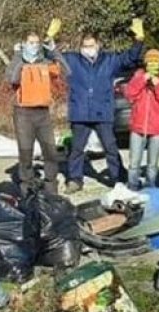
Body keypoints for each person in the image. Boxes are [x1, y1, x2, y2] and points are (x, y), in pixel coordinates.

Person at [62, 24, 146, 194]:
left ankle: (119, 178)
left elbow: (129, 58)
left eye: (91, 45)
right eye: (85, 46)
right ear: (80, 47)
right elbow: (53, 57)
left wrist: (138, 41)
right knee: (77, 149)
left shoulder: (110, 60)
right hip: (80, 112)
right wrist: (49, 40)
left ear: (98, 45)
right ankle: (74, 179)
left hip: (102, 111)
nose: (88, 49)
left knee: (110, 147)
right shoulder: (72, 60)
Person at [7, 29, 68, 195]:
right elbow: (11, 79)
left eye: (36, 43)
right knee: (26, 153)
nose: (34, 46)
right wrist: (20, 57)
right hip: (23, 113)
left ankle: (51, 188)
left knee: (50, 151)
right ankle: (27, 188)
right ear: (24, 44)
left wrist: (53, 51)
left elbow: (65, 71)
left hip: (43, 113)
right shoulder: (18, 61)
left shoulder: (45, 62)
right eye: (30, 43)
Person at [125, 49, 159, 190]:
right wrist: (142, 80)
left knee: (152, 163)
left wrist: (158, 84)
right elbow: (129, 94)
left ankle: (150, 186)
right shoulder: (139, 75)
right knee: (134, 162)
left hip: (158, 127)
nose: (152, 63)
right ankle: (132, 185)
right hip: (138, 125)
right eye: (150, 60)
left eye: (156, 61)